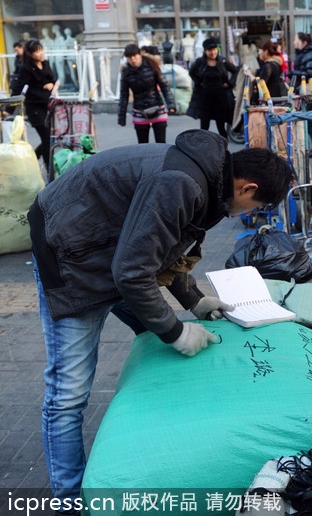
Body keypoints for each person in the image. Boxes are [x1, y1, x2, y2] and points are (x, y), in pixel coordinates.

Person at [28, 129, 294, 513]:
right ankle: (68, 498)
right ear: (248, 187)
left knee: (157, 342)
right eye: (254, 207)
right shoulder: (182, 183)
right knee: (68, 393)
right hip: (70, 252)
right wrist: (176, 331)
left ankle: (152, 438)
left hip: (109, 247)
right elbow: (133, 273)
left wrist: (195, 300)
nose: (248, 215)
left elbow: (164, 243)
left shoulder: (211, 178)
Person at [10, 38, 58, 171]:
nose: (40, 53)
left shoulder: (46, 64)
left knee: (49, 138)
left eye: (41, 50)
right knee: (47, 138)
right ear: (30, 54)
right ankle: (49, 169)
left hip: (48, 106)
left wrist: (51, 84)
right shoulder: (26, 68)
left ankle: (34, 158)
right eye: (37, 52)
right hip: (35, 108)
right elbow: (19, 87)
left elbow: (53, 79)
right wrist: (9, 107)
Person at [118, 43, 176, 144]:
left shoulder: (152, 65)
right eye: (129, 57)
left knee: (161, 144)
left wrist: (171, 104)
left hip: (157, 107)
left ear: (140, 54)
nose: (133, 59)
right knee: (143, 146)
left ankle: (162, 160)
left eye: (134, 56)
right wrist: (121, 116)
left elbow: (164, 86)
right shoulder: (126, 72)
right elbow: (124, 95)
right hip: (139, 110)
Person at [187, 38, 239, 139]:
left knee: (221, 128)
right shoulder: (199, 62)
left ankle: (225, 149)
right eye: (210, 50)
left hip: (220, 99)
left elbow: (236, 71)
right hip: (205, 99)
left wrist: (229, 83)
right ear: (205, 51)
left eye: (214, 49)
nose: (213, 52)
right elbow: (191, 72)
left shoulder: (222, 61)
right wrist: (198, 82)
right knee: (204, 128)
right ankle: (204, 149)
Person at [289, 32, 312, 156]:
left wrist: (294, 73)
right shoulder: (305, 53)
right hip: (305, 90)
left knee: (311, 120)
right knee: (310, 120)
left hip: (310, 90)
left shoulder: (311, 54)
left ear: (304, 43)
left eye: (296, 40)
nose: (294, 43)